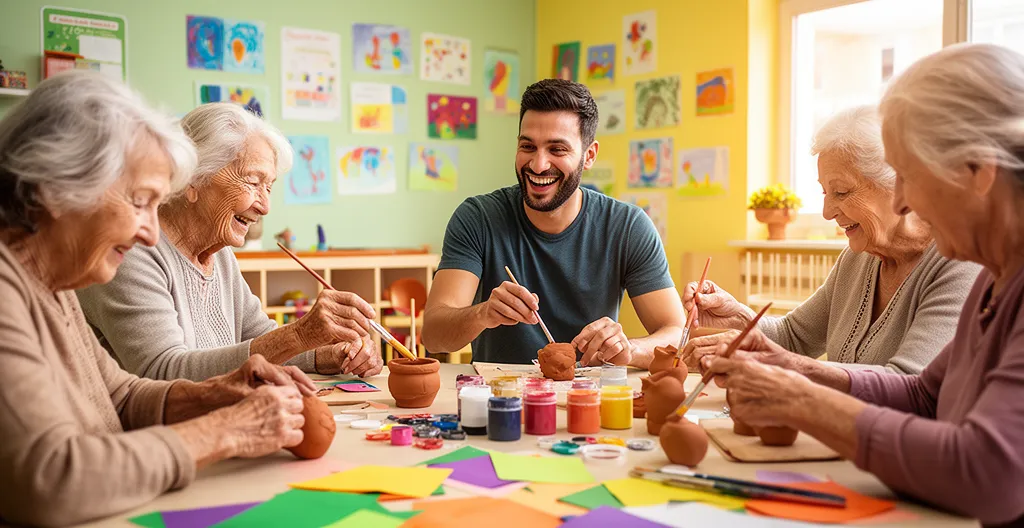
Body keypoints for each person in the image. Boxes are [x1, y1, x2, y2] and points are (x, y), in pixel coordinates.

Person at [708, 44, 1024, 526]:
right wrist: (789, 366)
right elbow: (923, 396)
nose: (902, 203)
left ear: (978, 170)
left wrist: (798, 398)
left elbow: (988, 471)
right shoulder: (997, 275)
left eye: (909, 177)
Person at [0, 71, 317, 527]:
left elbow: (121, 396)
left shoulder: (52, 281)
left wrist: (214, 393)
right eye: (140, 200)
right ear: (57, 189)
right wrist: (225, 431)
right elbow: (50, 478)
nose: (151, 231)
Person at [78, 103, 382, 381]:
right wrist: (300, 334)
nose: (265, 207)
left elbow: (259, 337)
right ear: (193, 178)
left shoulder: (218, 254)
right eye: (253, 182)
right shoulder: (131, 251)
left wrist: (330, 355)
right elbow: (164, 372)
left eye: (269, 187)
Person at [681, 105, 979, 379]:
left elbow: (908, 382)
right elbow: (794, 337)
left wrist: (779, 364)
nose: (826, 212)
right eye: (825, 193)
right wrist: (738, 315)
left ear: (898, 183)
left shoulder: (960, 264)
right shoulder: (857, 257)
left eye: (841, 192)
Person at [421, 79, 685, 367]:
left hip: (590, 399)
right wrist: (482, 314)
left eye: (557, 150)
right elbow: (434, 336)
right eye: (528, 146)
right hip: (502, 401)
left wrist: (630, 349)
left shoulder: (627, 226)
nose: (538, 165)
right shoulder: (478, 218)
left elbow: (675, 333)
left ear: (589, 156)